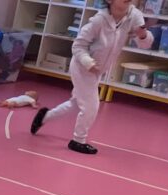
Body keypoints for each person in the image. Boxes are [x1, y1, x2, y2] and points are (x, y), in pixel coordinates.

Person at [31, 0, 152, 154]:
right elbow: (78, 46)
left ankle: (44, 117)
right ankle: (78, 140)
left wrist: (143, 36)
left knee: (76, 104)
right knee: (91, 106)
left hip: (98, 70)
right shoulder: (98, 20)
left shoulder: (134, 15)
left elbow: (145, 44)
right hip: (82, 67)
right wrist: (88, 62)